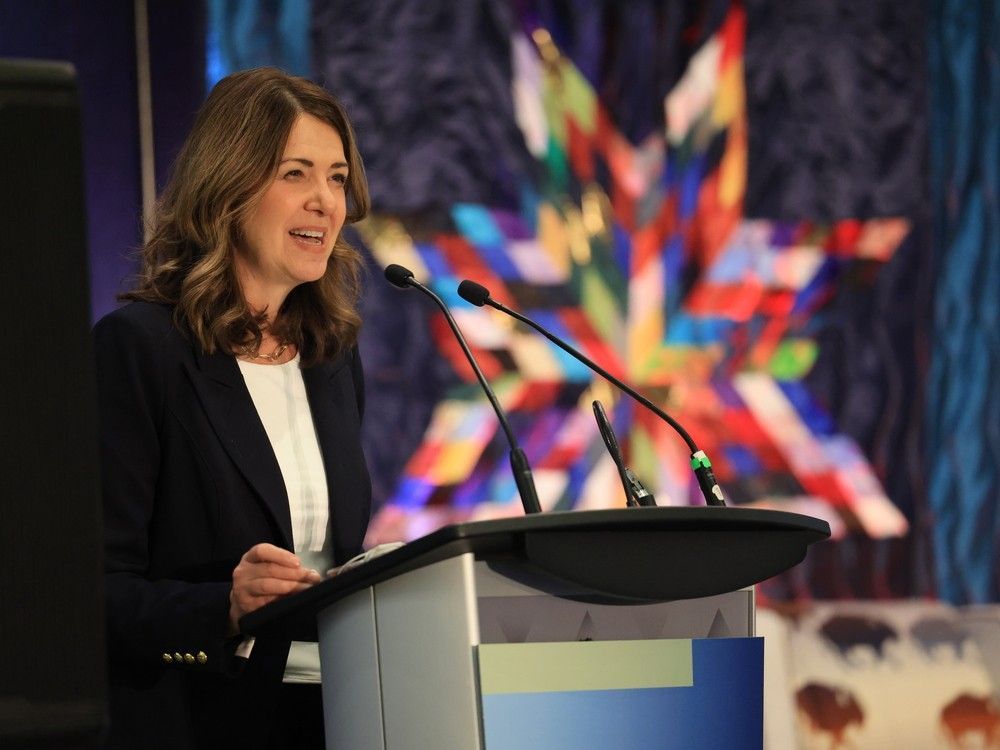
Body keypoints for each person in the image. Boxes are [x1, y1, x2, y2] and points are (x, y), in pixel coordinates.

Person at [93, 67, 372, 749]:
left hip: (338, 714)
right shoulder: (141, 350)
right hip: (198, 720)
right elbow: (88, 589)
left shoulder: (331, 358)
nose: (324, 202)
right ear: (228, 188)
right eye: (295, 174)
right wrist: (221, 606)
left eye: (337, 178)